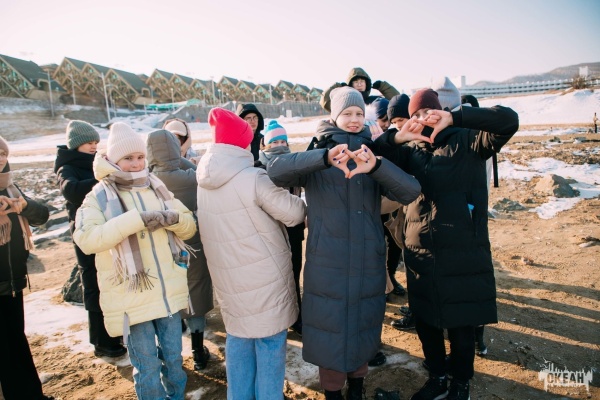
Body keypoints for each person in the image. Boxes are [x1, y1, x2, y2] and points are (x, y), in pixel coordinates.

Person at [267, 87, 421, 400]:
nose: (354, 119)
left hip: (367, 258)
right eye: (347, 113)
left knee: (363, 325)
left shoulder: (371, 153)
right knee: (330, 330)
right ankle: (333, 394)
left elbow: (409, 192)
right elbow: (276, 171)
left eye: (359, 114)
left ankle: (358, 390)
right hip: (328, 260)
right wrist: (323, 158)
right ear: (334, 116)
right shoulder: (318, 151)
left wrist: (376, 166)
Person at [375, 88, 519, 400]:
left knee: (460, 323)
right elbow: (376, 153)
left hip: (461, 248)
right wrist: (399, 136)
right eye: (415, 115)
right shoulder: (410, 150)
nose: (422, 118)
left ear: (440, 110)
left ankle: (460, 383)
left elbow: (509, 121)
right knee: (426, 320)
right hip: (420, 249)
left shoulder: (469, 140)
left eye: (428, 111)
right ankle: (438, 376)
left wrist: (456, 117)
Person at [73, 122, 197, 400]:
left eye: (140, 157)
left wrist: (173, 220)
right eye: (128, 158)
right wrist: (134, 221)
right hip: (132, 298)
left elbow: (189, 226)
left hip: (167, 293)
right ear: (113, 160)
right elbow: (87, 239)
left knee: (174, 361)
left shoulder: (157, 187)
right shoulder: (98, 196)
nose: (136, 163)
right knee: (147, 367)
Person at [196, 108, 306, 400]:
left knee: (239, 338)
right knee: (270, 341)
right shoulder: (253, 177)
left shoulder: (204, 179)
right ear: (242, 143)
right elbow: (294, 214)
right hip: (262, 276)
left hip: (227, 276)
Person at [54, 120, 127, 358]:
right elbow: (71, 190)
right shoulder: (66, 166)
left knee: (110, 281)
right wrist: (102, 180)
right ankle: (101, 341)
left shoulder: (97, 161)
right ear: (75, 144)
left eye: (96, 141)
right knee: (93, 284)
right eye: (88, 142)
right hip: (84, 232)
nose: (94, 146)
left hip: (104, 229)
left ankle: (115, 334)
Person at [146, 128, 214, 370]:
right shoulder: (190, 177)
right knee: (195, 292)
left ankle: (169, 355)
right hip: (191, 244)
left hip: (160, 248)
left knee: (167, 298)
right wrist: (179, 159)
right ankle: (198, 352)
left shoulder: (146, 181)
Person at [0, 136, 54, 400]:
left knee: (16, 342)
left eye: (3, 153)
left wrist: (24, 206)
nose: (0, 158)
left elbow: (42, 215)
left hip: (13, 281)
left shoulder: (11, 188)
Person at [257, 120, 306, 336]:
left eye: (283, 141)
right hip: (268, 230)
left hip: (293, 229)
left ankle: (296, 316)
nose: (279, 146)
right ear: (264, 145)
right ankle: (275, 317)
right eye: (274, 142)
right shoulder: (258, 168)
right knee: (272, 276)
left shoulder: (294, 164)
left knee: (293, 273)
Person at [320, 67, 400, 113]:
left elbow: (398, 103)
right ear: (350, 85)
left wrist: (384, 87)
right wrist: (337, 86)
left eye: (362, 81)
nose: (359, 84)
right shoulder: (344, 103)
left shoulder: (376, 101)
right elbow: (325, 102)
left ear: (366, 84)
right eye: (356, 82)